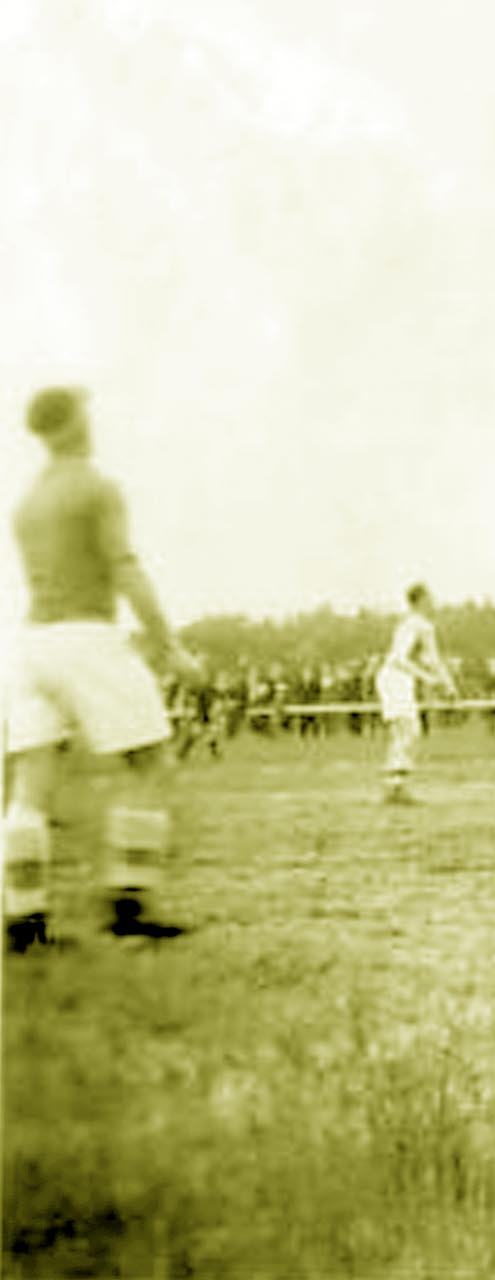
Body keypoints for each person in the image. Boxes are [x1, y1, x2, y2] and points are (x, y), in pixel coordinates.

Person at [3, 386, 200, 951]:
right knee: (151, 762)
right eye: (84, 413)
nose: (92, 421)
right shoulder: (96, 487)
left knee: (30, 785)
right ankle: (128, 905)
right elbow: (123, 567)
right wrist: (169, 646)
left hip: (32, 643)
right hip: (85, 633)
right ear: (70, 423)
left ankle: (24, 920)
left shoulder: (27, 502)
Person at [374, 583, 458, 803]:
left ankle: (395, 785)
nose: (434, 602)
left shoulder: (421, 626)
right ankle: (395, 787)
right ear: (421, 600)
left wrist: (449, 685)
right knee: (408, 730)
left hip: (400, 678)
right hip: (395, 677)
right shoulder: (417, 625)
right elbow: (399, 659)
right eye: (430, 598)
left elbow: (434, 659)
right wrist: (428, 679)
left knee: (406, 731)